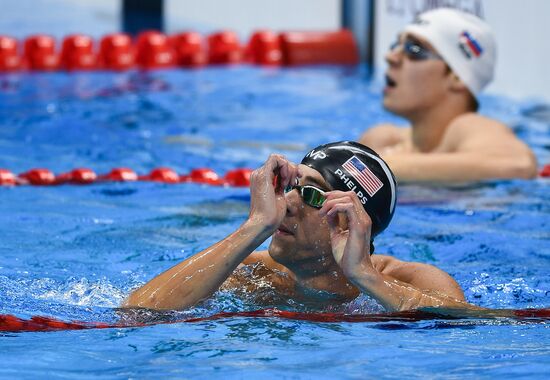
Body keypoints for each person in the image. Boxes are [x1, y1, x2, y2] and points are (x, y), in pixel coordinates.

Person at [123, 141, 478, 312]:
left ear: (351, 219)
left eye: (309, 194)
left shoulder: (414, 281)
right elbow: (139, 312)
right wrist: (255, 227)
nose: (287, 204)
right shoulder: (254, 275)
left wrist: (364, 276)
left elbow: (467, 327)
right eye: (291, 186)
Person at [359, 8, 537, 182]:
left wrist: (377, 168)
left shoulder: (467, 127)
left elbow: (518, 165)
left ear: (457, 76)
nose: (391, 57)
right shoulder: (383, 140)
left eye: (414, 49)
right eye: (395, 46)